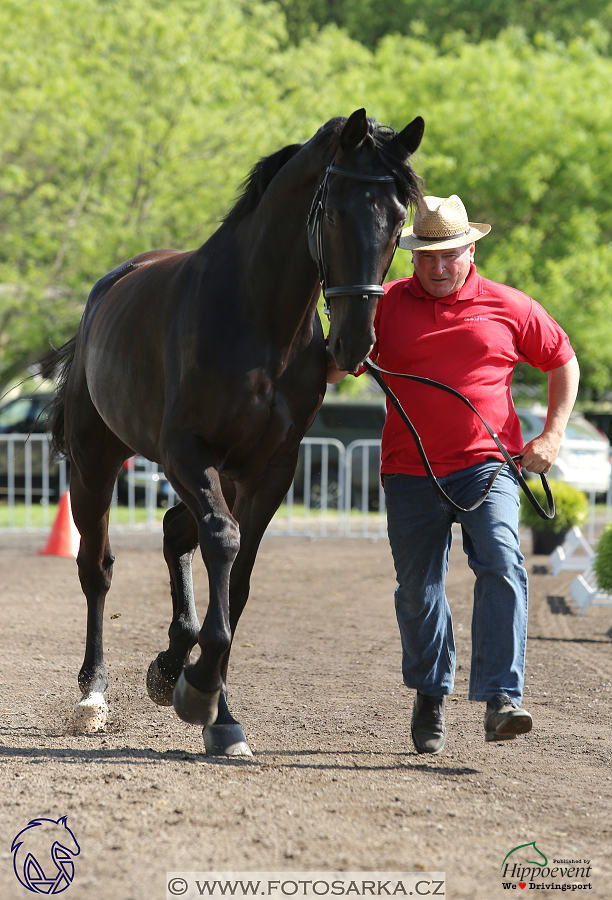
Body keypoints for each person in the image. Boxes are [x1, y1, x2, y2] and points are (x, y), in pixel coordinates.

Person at [327, 194, 580, 754]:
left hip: (487, 466)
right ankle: (430, 692)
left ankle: (502, 699)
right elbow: (333, 369)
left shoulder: (510, 306)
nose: (440, 268)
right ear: (409, 256)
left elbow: (563, 359)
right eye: (427, 257)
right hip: (409, 474)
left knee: (502, 561)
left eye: (451, 255)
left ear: (472, 249)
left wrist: (552, 436)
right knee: (418, 592)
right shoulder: (385, 303)